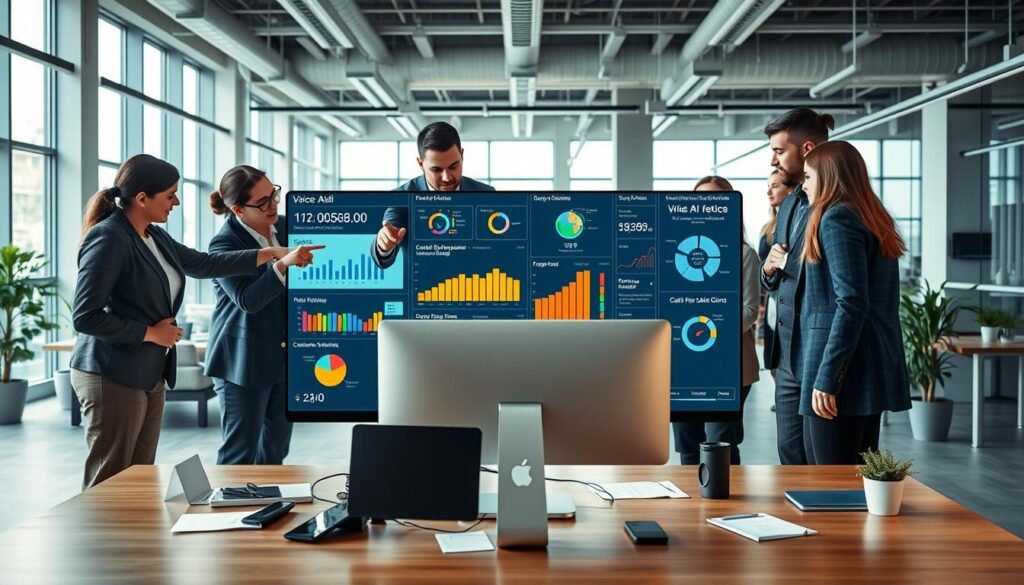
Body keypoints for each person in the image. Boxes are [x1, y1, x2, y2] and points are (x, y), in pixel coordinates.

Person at [70, 154, 304, 489]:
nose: (177, 202)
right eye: (170, 195)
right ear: (142, 198)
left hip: (147, 369)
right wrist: (150, 333)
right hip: (110, 370)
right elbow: (85, 316)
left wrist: (270, 253)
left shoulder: (152, 235)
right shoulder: (109, 237)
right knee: (110, 479)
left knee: (137, 476)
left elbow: (203, 264)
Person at [797, 141, 910, 464]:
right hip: (865, 366)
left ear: (828, 177)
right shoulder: (871, 216)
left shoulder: (837, 218)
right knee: (857, 475)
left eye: (808, 177)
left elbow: (851, 302)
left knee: (830, 479)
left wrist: (828, 377)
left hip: (841, 370)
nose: (803, 185)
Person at [205, 165, 323, 465]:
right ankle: (230, 498)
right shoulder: (224, 244)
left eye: (274, 194)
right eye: (262, 202)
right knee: (239, 453)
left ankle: (267, 498)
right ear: (238, 209)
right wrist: (282, 265)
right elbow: (248, 300)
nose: (273, 205)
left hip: (283, 359)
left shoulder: (286, 226)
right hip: (242, 363)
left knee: (275, 451)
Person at [760, 107, 834, 465]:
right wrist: (769, 270)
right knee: (789, 456)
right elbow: (777, 277)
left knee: (819, 460)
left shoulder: (835, 208)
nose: (773, 159)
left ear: (806, 149)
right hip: (787, 356)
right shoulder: (790, 205)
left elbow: (848, 299)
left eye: (779, 151)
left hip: (818, 354)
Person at [673, 175, 760, 465]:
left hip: (727, 365)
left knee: (720, 444)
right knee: (688, 445)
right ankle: (690, 496)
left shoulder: (743, 254)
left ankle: (726, 495)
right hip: (685, 365)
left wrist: (706, 333)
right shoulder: (678, 253)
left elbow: (749, 311)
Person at [372, 121, 494, 269]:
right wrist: (384, 245)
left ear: (462, 155)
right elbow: (383, 256)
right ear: (420, 164)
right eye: (436, 170)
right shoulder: (401, 198)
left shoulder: (487, 194)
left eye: (454, 166)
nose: (447, 178)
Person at [759, 169, 795, 413]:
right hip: (771, 298)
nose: (769, 191)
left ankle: (786, 395)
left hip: (786, 297)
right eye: (768, 186)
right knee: (771, 352)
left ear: (789, 190)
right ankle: (781, 394)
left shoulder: (793, 226)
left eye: (775, 185)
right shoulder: (767, 228)